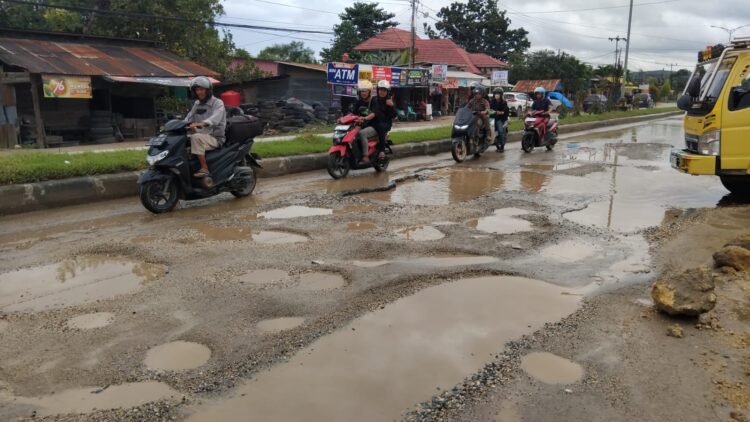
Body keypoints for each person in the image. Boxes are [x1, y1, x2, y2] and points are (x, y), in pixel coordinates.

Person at [184, 76, 226, 178]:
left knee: (196, 138)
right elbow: (189, 117)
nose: (199, 92)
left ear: (208, 90)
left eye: (201, 89)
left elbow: (215, 118)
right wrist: (179, 124)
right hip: (202, 135)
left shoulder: (218, 103)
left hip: (215, 137)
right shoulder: (197, 104)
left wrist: (202, 123)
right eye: (197, 90)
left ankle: (204, 168)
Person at [353, 80, 377, 164]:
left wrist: (365, 118)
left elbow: (374, 114)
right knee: (351, 133)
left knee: (362, 133)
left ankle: (365, 156)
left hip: (373, 125)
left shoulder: (374, 101)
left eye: (365, 91)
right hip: (362, 125)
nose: (363, 93)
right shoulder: (359, 102)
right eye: (362, 91)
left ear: (369, 92)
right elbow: (353, 114)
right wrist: (342, 119)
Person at [371, 80, 397, 159]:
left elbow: (394, 115)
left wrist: (392, 106)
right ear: (378, 90)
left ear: (387, 91)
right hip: (374, 121)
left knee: (381, 127)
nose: (382, 92)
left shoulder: (389, 101)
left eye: (384, 90)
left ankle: (382, 150)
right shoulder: (374, 99)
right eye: (381, 90)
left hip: (385, 123)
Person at [490, 87, 510, 152]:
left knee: (500, 131)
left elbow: (505, 110)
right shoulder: (492, 101)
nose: (496, 95)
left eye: (498, 94)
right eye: (495, 94)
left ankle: (502, 146)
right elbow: (489, 108)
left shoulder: (504, 102)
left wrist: (501, 112)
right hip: (492, 118)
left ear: (501, 95)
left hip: (500, 119)